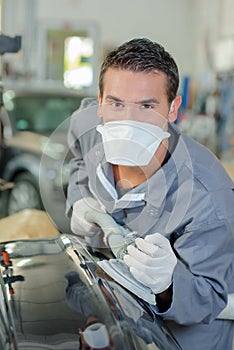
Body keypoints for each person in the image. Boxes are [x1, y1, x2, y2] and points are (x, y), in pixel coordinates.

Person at [66, 38, 234, 349]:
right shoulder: (88, 125)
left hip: (184, 336)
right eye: (116, 103)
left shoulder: (206, 196)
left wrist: (170, 284)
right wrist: (79, 198)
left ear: (172, 109)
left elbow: (211, 297)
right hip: (117, 316)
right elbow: (78, 157)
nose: (127, 122)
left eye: (146, 106)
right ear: (100, 102)